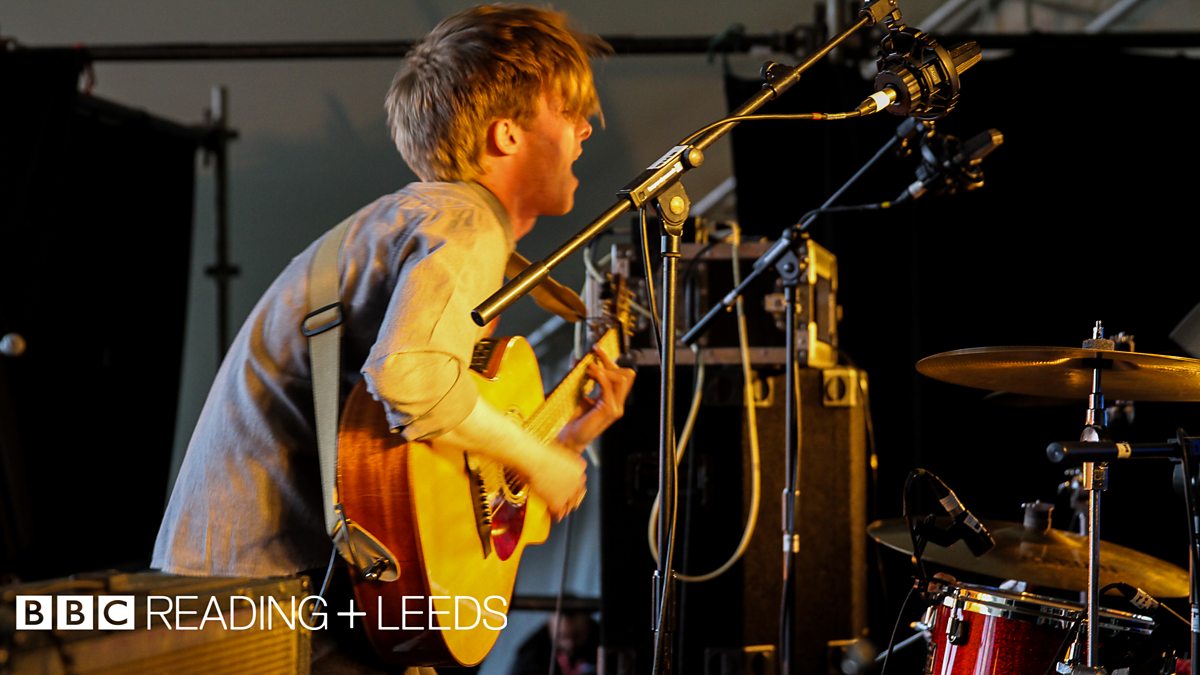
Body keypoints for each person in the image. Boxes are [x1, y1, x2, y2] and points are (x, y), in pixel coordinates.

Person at [151, 3, 631, 668]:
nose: (585, 128)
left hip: (248, 593)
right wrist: (543, 460)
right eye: (569, 110)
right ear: (506, 135)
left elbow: (427, 474)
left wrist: (563, 441)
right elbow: (409, 379)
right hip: (267, 603)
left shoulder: (417, 219)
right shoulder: (465, 224)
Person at [509, 609, 600, 675]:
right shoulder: (531, 654)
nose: (570, 644)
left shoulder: (602, 642)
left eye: (576, 636)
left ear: (588, 625)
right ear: (550, 627)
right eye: (562, 637)